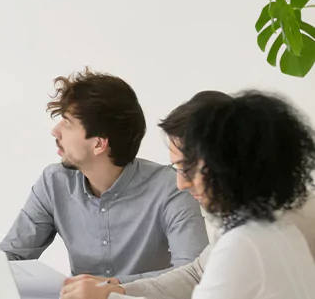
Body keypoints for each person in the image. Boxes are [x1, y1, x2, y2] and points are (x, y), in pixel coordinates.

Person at [62, 91, 315, 299]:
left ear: (226, 164)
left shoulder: (243, 243)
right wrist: (113, 291)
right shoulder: (272, 228)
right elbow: (197, 272)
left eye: (187, 169)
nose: (181, 183)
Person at [0, 69, 209, 283]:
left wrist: (109, 288)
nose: (55, 131)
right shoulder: (54, 182)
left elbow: (192, 272)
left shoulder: (171, 188)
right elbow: (12, 257)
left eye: (67, 123)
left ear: (99, 143)